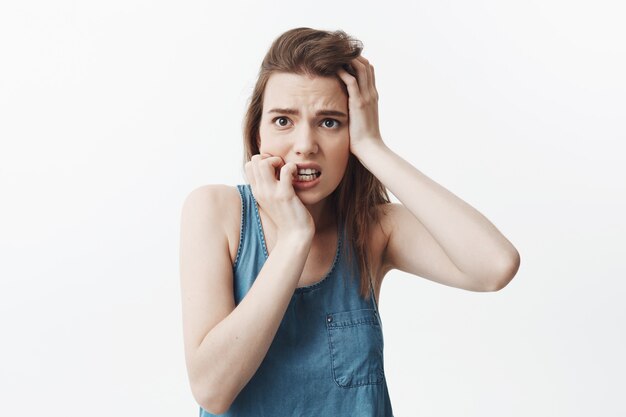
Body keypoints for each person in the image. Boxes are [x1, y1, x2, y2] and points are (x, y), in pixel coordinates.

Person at [179, 27, 520, 417]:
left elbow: (495, 266)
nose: (305, 145)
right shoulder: (216, 211)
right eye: (283, 121)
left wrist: (373, 146)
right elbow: (211, 389)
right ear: (258, 134)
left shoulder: (374, 229)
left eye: (329, 122)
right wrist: (294, 239)